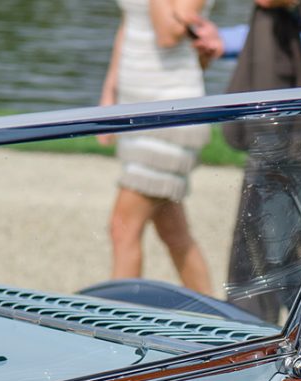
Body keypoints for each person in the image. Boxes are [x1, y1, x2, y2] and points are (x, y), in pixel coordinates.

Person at [189, 0, 301, 324]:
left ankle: (260, 335)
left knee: (266, 243)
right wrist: (225, 40)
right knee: (274, 240)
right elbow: (291, 25)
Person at [100, 0, 215, 295]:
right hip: (135, 107)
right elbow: (129, 22)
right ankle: (216, 315)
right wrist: (110, 93)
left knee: (122, 227)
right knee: (173, 233)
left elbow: (168, 33)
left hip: (169, 111)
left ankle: (115, 318)